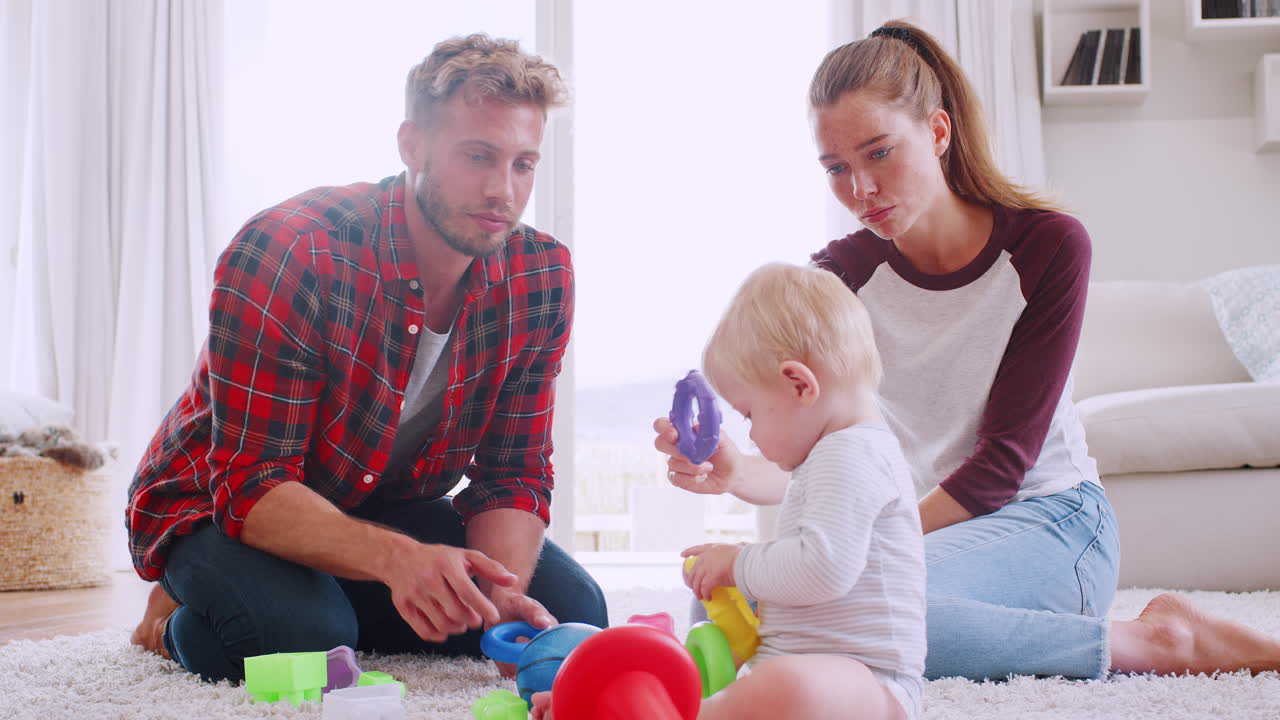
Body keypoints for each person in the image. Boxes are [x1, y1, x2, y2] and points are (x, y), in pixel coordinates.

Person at [656, 20, 1280, 682]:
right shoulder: (839, 278)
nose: (859, 190)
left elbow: (999, 469)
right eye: (836, 168)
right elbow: (833, 463)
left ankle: (1158, 643)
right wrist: (736, 473)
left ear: (938, 133)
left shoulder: (1048, 247)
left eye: (879, 153)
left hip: (1052, 521)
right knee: (733, 600)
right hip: (922, 533)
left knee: (871, 610)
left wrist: (866, 550)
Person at [127, 34, 606, 683]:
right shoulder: (289, 253)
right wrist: (398, 562)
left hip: (382, 500)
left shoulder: (540, 276)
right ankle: (191, 605)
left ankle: (321, 595)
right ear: (412, 145)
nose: (503, 190)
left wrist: (497, 600)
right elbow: (252, 485)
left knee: (572, 612)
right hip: (218, 503)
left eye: (524, 164)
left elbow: (512, 476)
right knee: (305, 638)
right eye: (478, 156)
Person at [535, 262, 925, 720]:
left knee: (785, 686)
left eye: (749, 414)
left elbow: (823, 568)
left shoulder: (851, 455)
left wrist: (739, 561)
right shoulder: (836, 452)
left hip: (873, 687)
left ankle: (675, 710)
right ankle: (643, 700)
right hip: (819, 675)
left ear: (800, 384)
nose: (753, 435)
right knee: (756, 675)